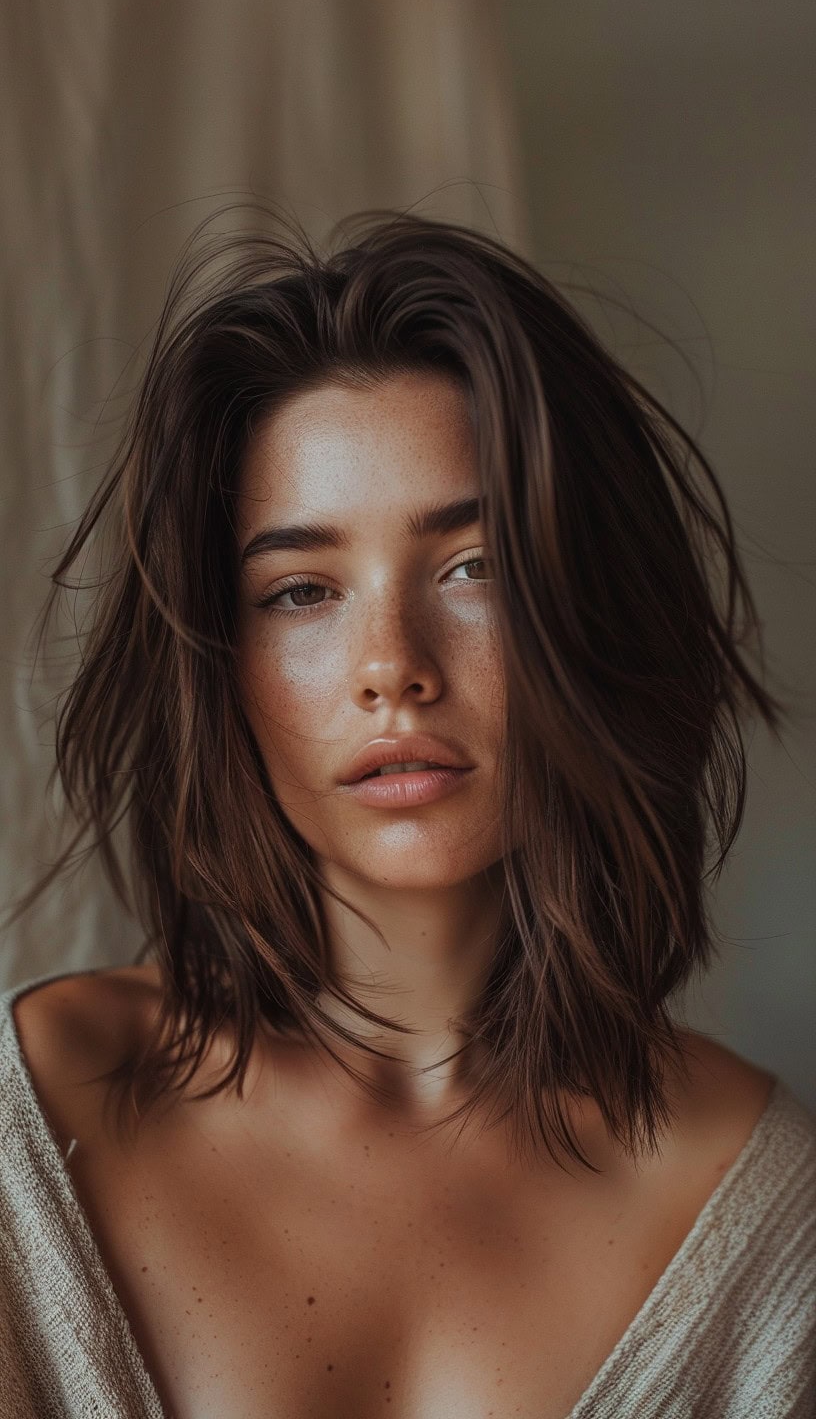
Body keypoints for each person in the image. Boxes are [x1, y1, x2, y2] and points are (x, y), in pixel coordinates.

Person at [0, 208, 813, 1419]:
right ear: (222, 660)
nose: (391, 664)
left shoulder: (755, 1195)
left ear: (595, 613)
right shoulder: (34, 1120)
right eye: (301, 590)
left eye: (472, 566)